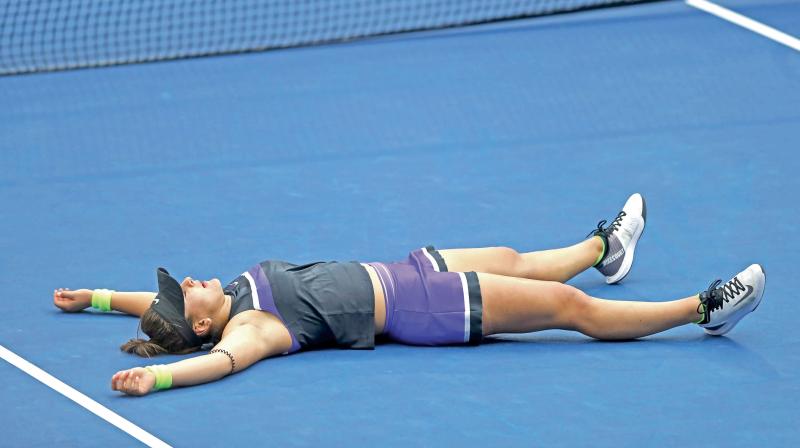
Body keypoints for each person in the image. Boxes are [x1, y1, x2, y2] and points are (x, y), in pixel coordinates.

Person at [52, 194, 766, 396]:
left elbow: (155, 315)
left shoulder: (228, 295)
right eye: (187, 295)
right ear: (202, 325)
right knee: (568, 312)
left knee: (520, 258)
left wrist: (96, 298)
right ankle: (701, 309)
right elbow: (210, 363)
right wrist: (161, 374)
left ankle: (603, 249)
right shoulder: (254, 330)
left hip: (407, 268)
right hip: (423, 310)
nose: (194, 281)